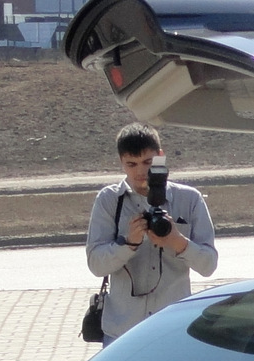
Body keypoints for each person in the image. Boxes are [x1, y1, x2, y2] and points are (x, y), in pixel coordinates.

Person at [84, 123, 219, 342]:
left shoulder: (189, 199)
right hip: (122, 332)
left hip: (173, 329)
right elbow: (96, 265)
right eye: (131, 164)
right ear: (121, 162)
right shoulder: (108, 201)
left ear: (160, 157)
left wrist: (177, 242)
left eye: (147, 162)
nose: (140, 171)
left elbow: (209, 265)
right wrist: (128, 244)